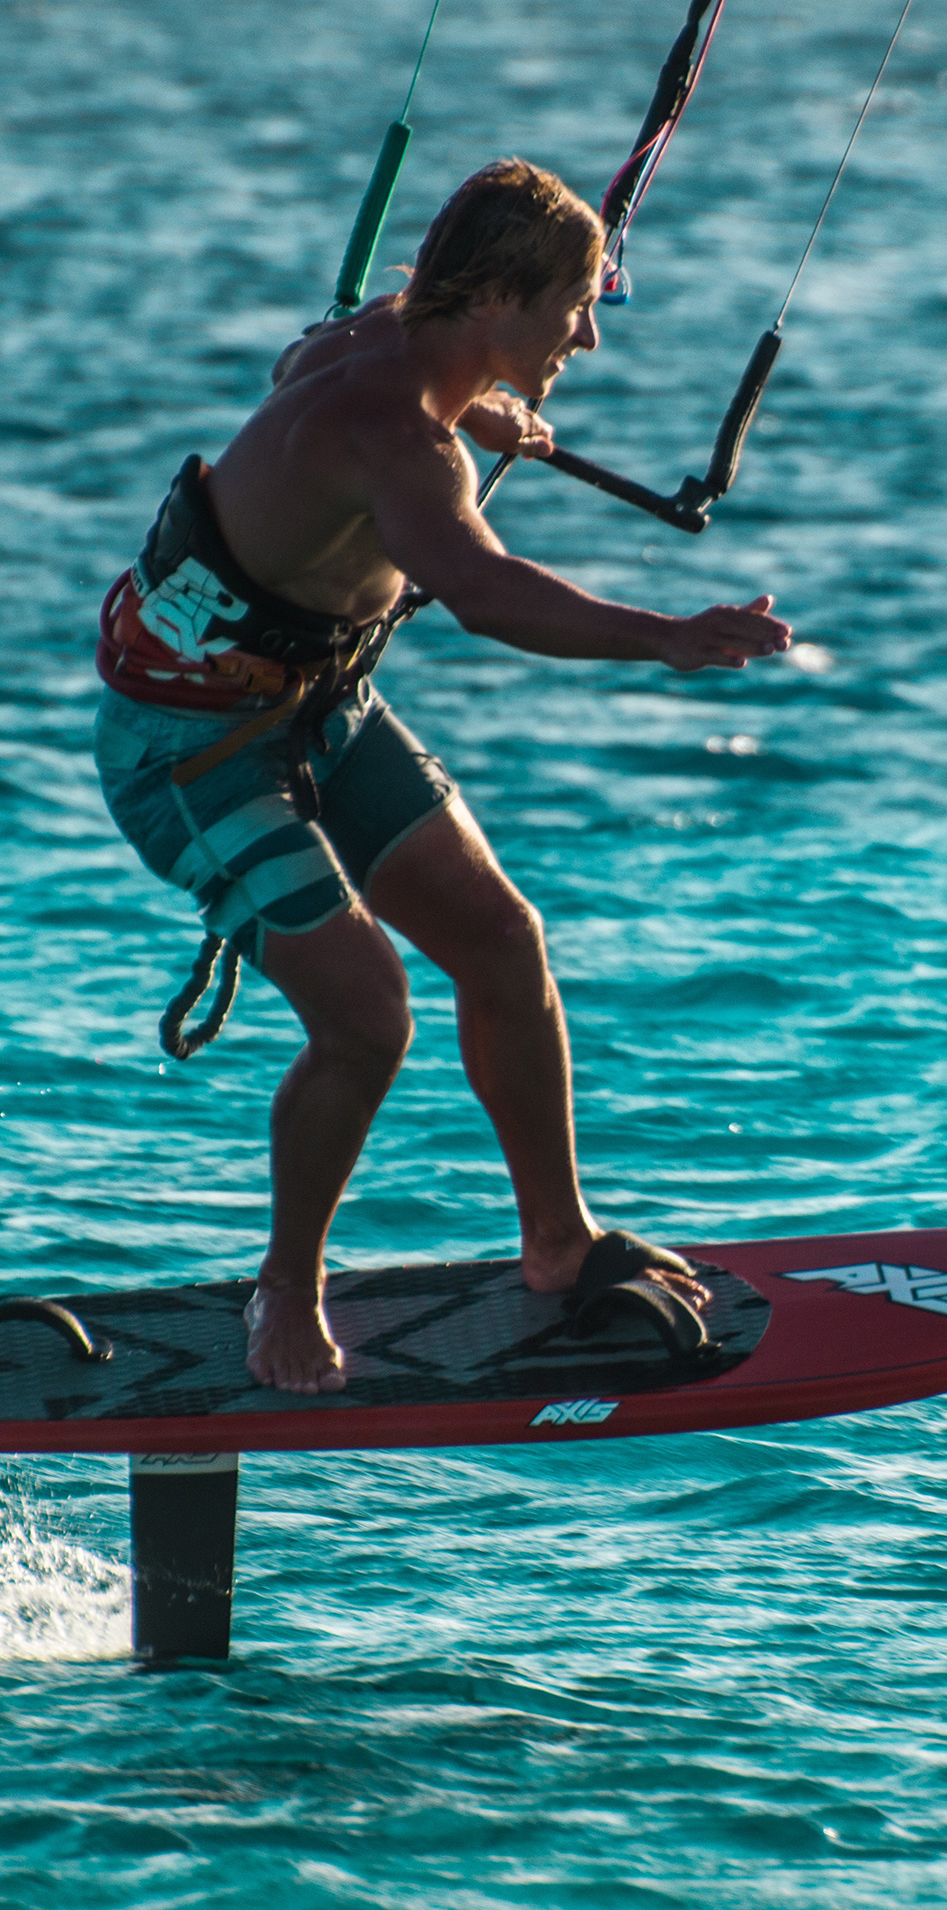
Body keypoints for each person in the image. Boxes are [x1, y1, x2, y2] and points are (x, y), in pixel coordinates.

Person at [93, 157, 791, 1394]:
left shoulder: (384, 347)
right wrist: (666, 634)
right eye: (575, 304)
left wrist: (473, 402)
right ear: (500, 297)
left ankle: (556, 1239)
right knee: (366, 1015)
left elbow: (299, 377)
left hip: (313, 700)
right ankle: (287, 1289)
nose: (586, 332)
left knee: (500, 937)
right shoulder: (406, 444)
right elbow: (483, 589)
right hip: (186, 751)